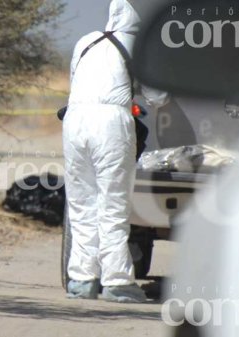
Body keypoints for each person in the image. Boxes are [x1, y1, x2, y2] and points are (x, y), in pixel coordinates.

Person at [63, 0, 169, 303]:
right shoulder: (138, 45)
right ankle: (118, 281)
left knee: (82, 205)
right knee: (113, 204)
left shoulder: (86, 41)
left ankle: (82, 280)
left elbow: (77, 80)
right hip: (110, 123)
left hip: (74, 119)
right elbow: (158, 97)